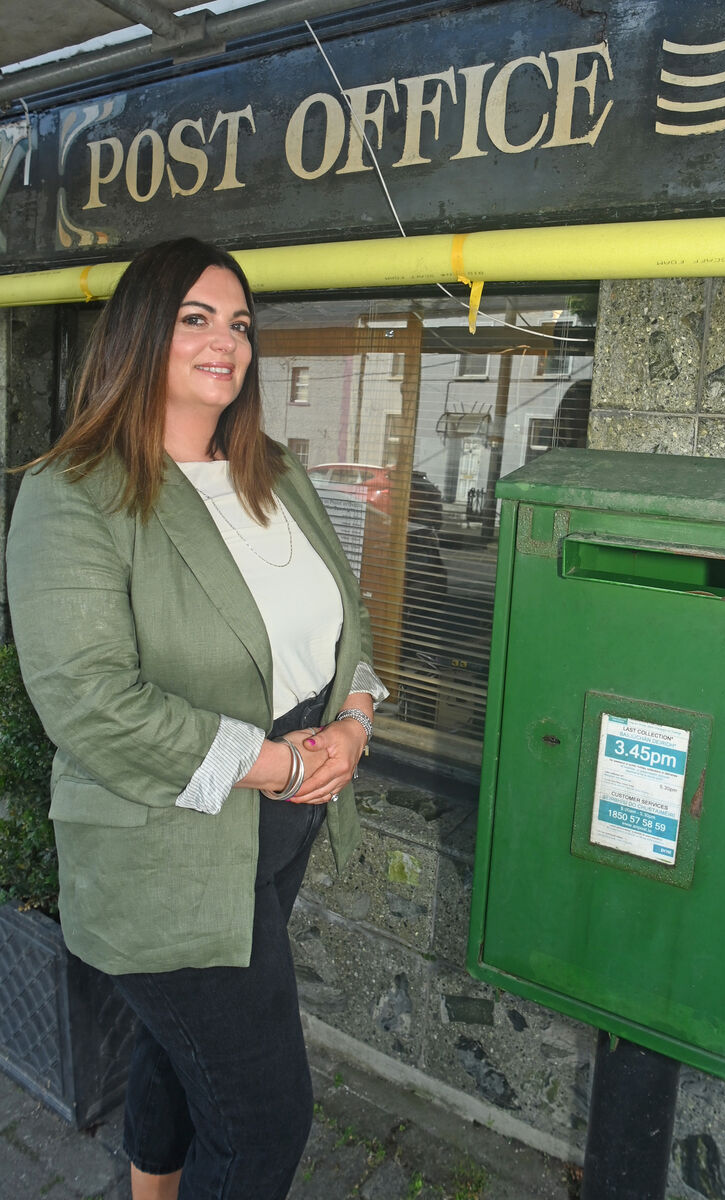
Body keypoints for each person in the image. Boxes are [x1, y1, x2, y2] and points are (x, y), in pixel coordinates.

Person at [6, 238, 386, 1200]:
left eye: (241, 324)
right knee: (266, 1120)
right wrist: (280, 766)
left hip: (290, 811)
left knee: (182, 1054)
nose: (227, 341)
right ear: (141, 333)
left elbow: (347, 619)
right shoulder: (74, 493)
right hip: (173, 835)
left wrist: (354, 719)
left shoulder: (276, 470)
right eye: (196, 318)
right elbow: (93, 704)